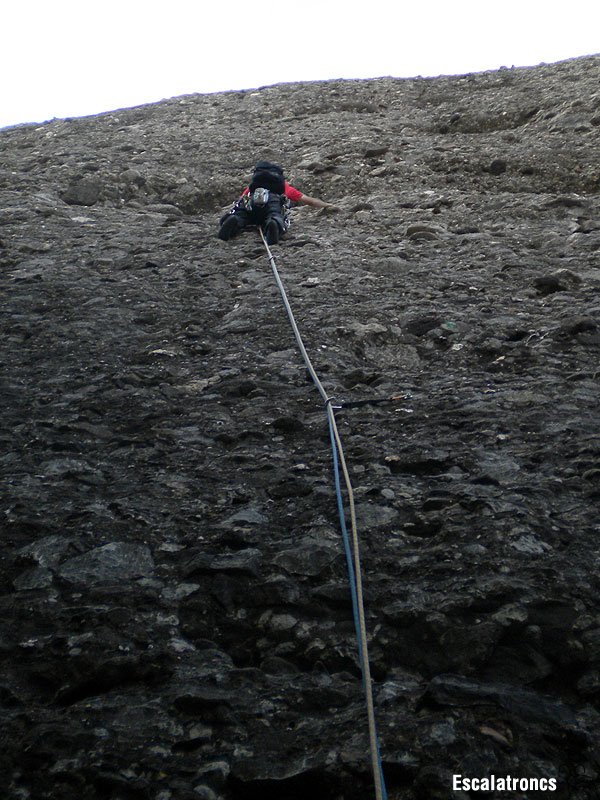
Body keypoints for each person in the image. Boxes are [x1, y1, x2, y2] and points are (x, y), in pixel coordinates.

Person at [218, 160, 338, 245]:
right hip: (272, 202)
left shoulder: (253, 189)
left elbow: (241, 200)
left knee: (242, 214)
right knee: (276, 215)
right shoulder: (286, 188)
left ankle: (235, 221)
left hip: (252, 202)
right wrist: (327, 205)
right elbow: (309, 201)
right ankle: (273, 225)